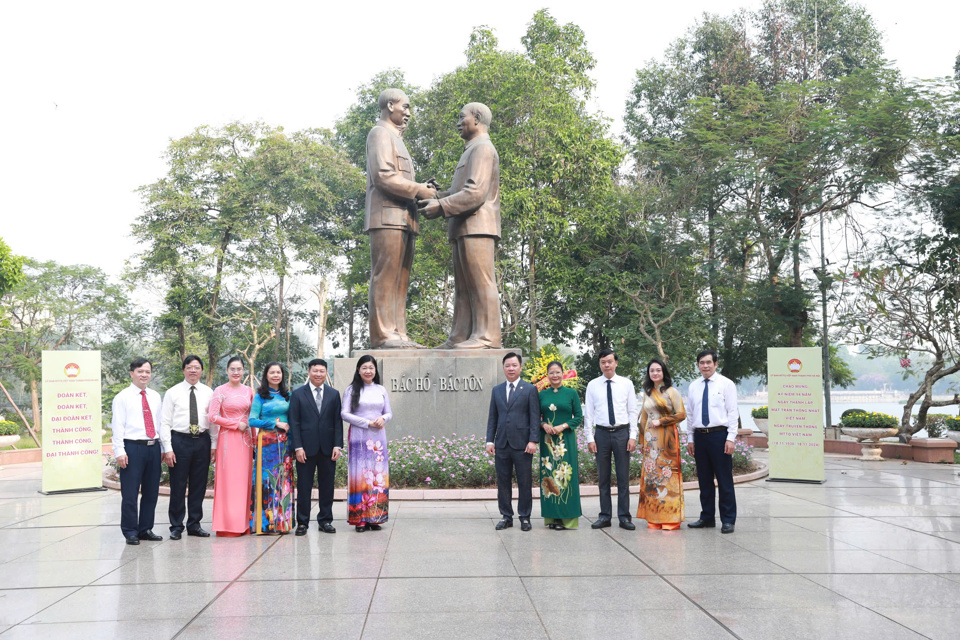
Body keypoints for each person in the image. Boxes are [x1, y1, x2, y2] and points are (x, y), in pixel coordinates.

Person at [418, 102, 501, 349]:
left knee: (480, 281)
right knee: (463, 287)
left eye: (461, 116)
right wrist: (435, 195)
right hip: (463, 227)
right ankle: (460, 336)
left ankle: (487, 337)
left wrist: (441, 207)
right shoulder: (470, 149)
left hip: (478, 226)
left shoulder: (483, 148)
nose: (458, 121)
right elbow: (458, 191)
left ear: (476, 119)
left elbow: (475, 193)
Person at [365, 88, 437, 349]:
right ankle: (384, 334)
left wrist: (423, 188)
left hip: (405, 218)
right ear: (390, 105)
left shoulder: (396, 138)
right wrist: (419, 189)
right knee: (385, 277)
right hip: (386, 217)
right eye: (404, 107)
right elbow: (383, 176)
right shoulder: (380, 134)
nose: (408, 113)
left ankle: (399, 333)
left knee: (400, 280)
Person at [159, 355, 215, 540]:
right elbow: (165, 422)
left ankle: (194, 524)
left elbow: (213, 421)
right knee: (178, 485)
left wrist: (213, 444)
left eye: (197, 367)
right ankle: (176, 526)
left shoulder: (209, 392)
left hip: (202, 441)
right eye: (189, 367)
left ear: (201, 370)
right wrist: (167, 448)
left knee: (199, 485)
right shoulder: (172, 392)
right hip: (179, 441)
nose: (193, 370)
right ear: (183, 370)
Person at [584, 349, 639, 530]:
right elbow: (589, 415)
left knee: (623, 478)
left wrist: (632, 436)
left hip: (622, 433)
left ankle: (624, 517)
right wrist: (590, 438)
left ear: (616, 363)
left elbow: (633, 411)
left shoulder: (626, 384)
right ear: (599, 364)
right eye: (602, 362)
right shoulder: (592, 385)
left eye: (609, 361)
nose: (606, 365)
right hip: (601, 434)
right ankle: (605, 516)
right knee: (603, 478)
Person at [686, 349, 739, 534]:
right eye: (702, 362)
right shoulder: (693, 386)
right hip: (700, 436)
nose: (705, 365)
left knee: (724, 479)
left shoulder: (727, 384)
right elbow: (690, 414)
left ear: (716, 364)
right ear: (698, 365)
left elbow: (733, 413)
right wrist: (690, 438)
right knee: (704, 480)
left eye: (709, 362)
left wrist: (731, 438)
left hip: (720, 436)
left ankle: (728, 520)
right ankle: (707, 517)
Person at [111, 358, 163, 545]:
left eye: (147, 371)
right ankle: (130, 531)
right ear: (132, 373)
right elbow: (117, 426)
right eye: (140, 371)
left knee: (151, 492)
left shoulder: (155, 396)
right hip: (132, 448)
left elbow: (159, 424)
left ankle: (145, 528)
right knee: (130, 493)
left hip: (153, 447)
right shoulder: (122, 397)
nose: (144, 375)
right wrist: (119, 451)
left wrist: (164, 447)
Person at [485, 352, 539, 531]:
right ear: (503, 368)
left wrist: (533, 440)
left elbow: (534, 417)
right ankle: (506, 516)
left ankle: (525, 517)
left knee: (524, 481)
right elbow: (493, 417)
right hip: (501, 444)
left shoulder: (530, 389)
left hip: (523, 445)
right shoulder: (497, 390)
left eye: (514, 365)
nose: (511, 368)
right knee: (503, 482)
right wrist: (489, 441)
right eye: (507, 365)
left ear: (520, 367)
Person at [289, 358, 343, 536]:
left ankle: (325, 520)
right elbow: (294, 423)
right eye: (315, 370)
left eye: (322, 371)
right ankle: (302, 522)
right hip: (305, 448)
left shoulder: (334, 394)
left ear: (326, 373)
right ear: (309, 372)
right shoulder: (298, 394)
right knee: (304, 486)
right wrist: (298, 447)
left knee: (327, 486)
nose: (318, 374)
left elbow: (337, 421)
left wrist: (337, 444)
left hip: (328, 448)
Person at [341, 355, 392, 532]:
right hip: (359, 437)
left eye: (371, 367)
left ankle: (375, 517)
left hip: (378, 438)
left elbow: (389, 412)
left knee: (378, 474)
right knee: (360, 475)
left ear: (375, 370)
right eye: (364, 368)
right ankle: (360, 519)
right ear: (358, 370)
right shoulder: (351, 390)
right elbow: (344, 414)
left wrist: (382, 418)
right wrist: (366, 422)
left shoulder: (381, 389)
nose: (368, 371)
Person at [636, 358, 686, 530]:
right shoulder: (647, 392)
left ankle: (670, 519)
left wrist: (662, 421)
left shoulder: (672, 392)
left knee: (668, 476)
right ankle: (654, 517)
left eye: (658, 370)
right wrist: (641, 440)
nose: (655, 373)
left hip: (667, 439)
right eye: (652, 371)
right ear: (649, 374)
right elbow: (643, 417)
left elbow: (681, 415)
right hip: (650, 441)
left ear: (663, 372)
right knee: (652, 477)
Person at [207, 356, 255, 537]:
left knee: (244, 482)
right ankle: (227, 525)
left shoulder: (249, 391)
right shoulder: (219, 391)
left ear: (244, 371)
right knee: (229, 482)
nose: (236, 372)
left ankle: (244, 524)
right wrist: (234, 424)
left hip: (246, 442)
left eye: (239, 369)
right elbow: (212, 417)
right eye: (232, 369)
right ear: (227, 371)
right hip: (228, 440)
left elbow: (254, 416)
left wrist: (256, 439)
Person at [248, 362, 294, 535]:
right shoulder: (260, 396)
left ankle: (282, 523)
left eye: (278, 372)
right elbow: (252, 420)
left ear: (282, 375)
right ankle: (264, 524)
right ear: (266, 375)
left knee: (283, 482)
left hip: (284, 444)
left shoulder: (287, 395)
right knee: (266, 481)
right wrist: (275, 424)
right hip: (266, 443)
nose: (275, 375)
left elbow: (293, 419)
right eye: (272, 372)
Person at [538, 360, 583, 530]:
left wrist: (562, 426)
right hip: (548, 442)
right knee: (549, 477)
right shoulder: (541, 395)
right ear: (547, 375)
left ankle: (567, 519)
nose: (554, 376)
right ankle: (553, 518)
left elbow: (578, 417)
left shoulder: (571, 393)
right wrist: (544, 425)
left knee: (566, 477)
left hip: (566, 441)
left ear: (563, 374)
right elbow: (535, 416)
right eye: (551, 373)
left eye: (558, 372)